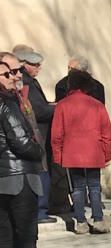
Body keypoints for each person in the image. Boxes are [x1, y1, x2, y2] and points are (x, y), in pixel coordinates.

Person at [0, 57, 64, 248]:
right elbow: (21, 141)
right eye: (8, 73)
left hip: (3, 177)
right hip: (19, 175)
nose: (15, 76)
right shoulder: (6, 104)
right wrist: (40, 152)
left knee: (5, 233)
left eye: (16, 71)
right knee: (27, 233)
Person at [51, 70, 111, 235]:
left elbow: (56, 135)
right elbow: (107, 133)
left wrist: (58, 155)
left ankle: (81, 222)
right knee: (94, 186)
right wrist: (107, 154)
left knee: (77, 188)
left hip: (72, 153)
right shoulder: (97, 105)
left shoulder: (62, 105)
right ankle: (98, 219)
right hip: (94, 151)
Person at [12, 47, 54, 224]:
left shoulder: (27, 82)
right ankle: (40, 211)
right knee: (41, 171)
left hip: (35, 132)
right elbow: (38, 111)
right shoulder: (25, 84)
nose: (38, 68)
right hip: (35, 134)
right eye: (34, 64)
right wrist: (56, 108)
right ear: (23, 64)